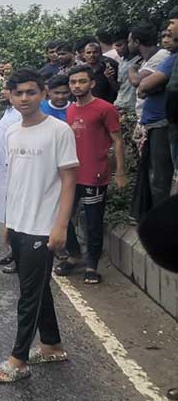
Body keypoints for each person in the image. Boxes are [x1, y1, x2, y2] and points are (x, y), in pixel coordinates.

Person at [0, 68, 77, 384]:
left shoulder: (59, 130)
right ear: (10, 97)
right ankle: (51, 344)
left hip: (44, 225)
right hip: (20, 223)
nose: (24, 98)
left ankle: (19, 358)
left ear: (42, 93)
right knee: (36, 286)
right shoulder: (12, 131)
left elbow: (69, 181)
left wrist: (61, 226)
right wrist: (9, 223)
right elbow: (14, 181)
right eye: (18, 93)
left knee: (28, 293)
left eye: (30, 92)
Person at [58, 65, 126, 285]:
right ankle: (74, 255)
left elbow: (117, 140)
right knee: (63, 217)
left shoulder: (105, 109)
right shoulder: (68, 110)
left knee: (93, 222)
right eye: (73, 82)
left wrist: (120, 172)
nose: (77, 86)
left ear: (92, 83)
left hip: (95, 175)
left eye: (82, 81)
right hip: (70, 176)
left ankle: (91, 266)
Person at [136, 29, 176, 209]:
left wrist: (146, 87)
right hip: (154, 123)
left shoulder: (172, 60)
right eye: (164, 36)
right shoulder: (169, 58)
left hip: (162, 123)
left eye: (170, 35)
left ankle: (162, 221)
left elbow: (143, 85)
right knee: (154, 174)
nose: (166, 40)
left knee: (160, 177)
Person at [0, 86, 22, 271]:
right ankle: (14, 253)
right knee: (9, 217)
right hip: (2, 173)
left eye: (5, 89)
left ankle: (20, 259)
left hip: (12, 173)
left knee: (16, 217)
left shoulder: (19, 114)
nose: (1, 92)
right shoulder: (9, 111)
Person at [81, 39, 119, 104]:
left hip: (106, 105)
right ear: (84, 55)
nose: (92, 55)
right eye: (88, 52)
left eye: (95, 52)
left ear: (100, 54)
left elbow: (117, 89)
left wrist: (110, 78)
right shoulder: (81, 71)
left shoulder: (109, 68)